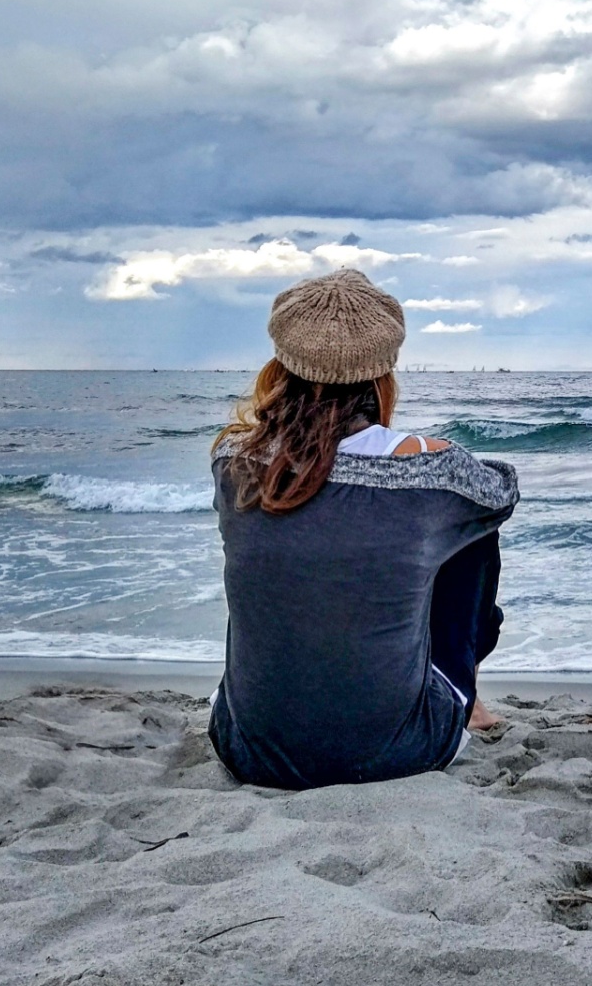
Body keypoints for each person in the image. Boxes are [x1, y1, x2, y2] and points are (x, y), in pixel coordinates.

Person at [204, 269, 518, 790]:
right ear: (382, 373)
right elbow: (502, 490)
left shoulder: (232, 458)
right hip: (400, 754)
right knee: (473, 528)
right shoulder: (426, 470)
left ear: (281, 363)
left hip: (245, 749)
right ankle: (469, 701)